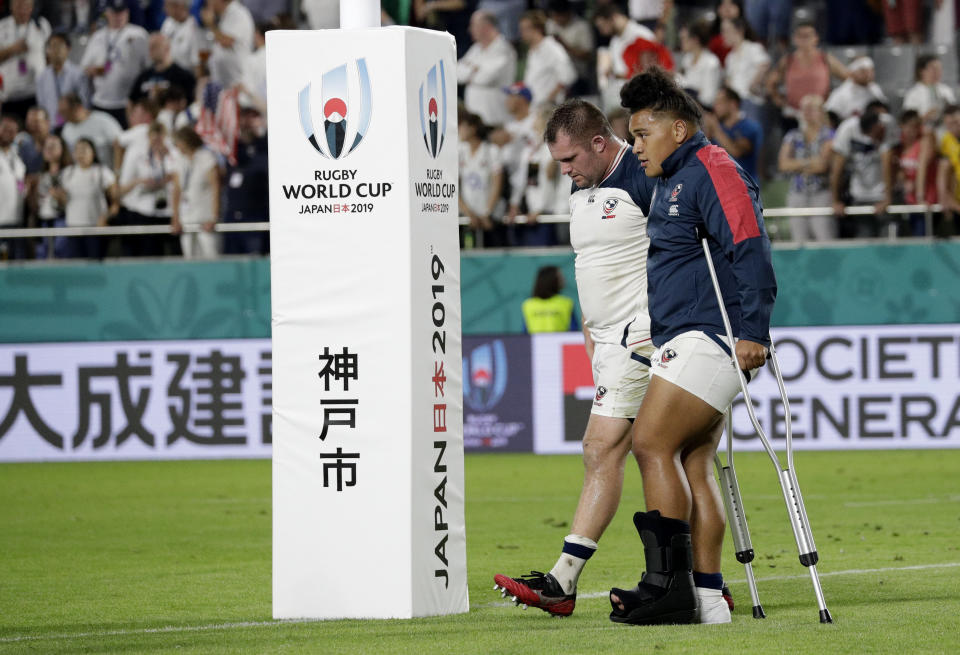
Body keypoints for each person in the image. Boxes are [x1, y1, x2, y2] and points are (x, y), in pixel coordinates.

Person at [609, 66, 775, 625]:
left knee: (650, 443)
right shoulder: (669, 177)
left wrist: (753, 330)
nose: (636, 147)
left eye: (642, 134)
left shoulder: (713, 168)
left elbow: (749, 244)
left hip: (713, 335)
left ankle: (666, 585)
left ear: (677, 130)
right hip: (690, 336)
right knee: (691, 460)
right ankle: (706, 596)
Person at [495, 98, 659, 619]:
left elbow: (676, 246)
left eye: (569, 160)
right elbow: (590, 259)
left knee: (604, 446)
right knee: (665, 454)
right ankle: (698, 581)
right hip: (606, 338)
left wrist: (654, 324)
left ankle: (564, 581)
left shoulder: (643, 173)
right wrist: (591, 328)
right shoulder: (581, 183)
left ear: (598, 142)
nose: (563, 171)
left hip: (643, 335)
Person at [80, 0, 150, 127]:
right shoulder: (98, 36)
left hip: (127, 103)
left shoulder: (139, 34)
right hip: (100, 101)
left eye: (122, 12)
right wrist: (93, 70)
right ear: (107, 13)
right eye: (115, 13)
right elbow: (84, 67)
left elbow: (148, 66)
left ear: (127, 13)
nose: (119, 16)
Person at [765, 20, 848, 126]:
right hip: (794, 114)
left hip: (819, 113)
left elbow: (848, 78)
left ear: (816, 38)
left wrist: (835, 99)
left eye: (808, 36)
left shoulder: (825, 59)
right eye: (800, 36)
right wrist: (778, 99)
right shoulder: (787, 61)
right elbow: (770, 82)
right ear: (795, 39)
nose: (804, 39)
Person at [778, 94, 836, 242]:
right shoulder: (793, 135)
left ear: (821, 112)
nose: (807, 113)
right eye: (804, 109)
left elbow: (823, 166)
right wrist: (810, 162)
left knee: (824, 237)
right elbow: (783, 165)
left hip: (821, 193)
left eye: (811, 109)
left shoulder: (829, 135)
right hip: (797, 193)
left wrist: (796, 164)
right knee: (799, 241)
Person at [830, 103, 891, 238]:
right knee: (864, 238)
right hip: (859, 195)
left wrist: (888, 197)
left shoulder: (888, 126)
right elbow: (837, 169)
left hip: (882, 194)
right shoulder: (847, 128)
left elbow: (888, 166)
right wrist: (835, 200)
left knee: (889, 242)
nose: (871, 139)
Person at [116, 121, 177, 256]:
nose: (157, 143)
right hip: (142, 211)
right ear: (148, 137)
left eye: (160, 139)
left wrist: (167, 178)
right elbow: (121, 189)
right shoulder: (135, 153)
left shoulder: (173, 153)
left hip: (169, 211)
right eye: (153, 138)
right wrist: (139, 182)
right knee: (148, 254)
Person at [457, 10, 517, 128]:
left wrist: (470, 70)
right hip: (474, 119)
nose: (469, 29)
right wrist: (475, 70)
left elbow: (486, 78)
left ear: (487, 27)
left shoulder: (503, 49)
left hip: (495, 119)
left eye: (473, 25)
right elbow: (457, 73)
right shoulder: (476, 48)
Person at [60, 137, 118, 259]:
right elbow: (63, 203)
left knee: (95, 263)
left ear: (93, 152)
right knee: (77, 267)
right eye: (77, 150)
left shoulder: (102, 172)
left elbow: (115, 203)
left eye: (84, 150)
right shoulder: (67, 173)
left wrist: (105, 218)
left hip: (95, 228)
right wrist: (58, 197)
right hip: (73, 227)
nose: (81, 154)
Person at [171, 125, 221, 258]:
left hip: (205, 219)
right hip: (186, 219)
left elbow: (216, 188)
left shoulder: (206, 158)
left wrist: (214, 217)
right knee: (189, 258)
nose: (177, 146)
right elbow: (176, 191)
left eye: (178, 142)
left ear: (187, 141)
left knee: (210, 256)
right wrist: (175, 218)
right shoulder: (179, 161)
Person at [884, 109, 936, 236]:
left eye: (916, 127)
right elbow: (899, 170)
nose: (913, 131)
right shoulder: (899, 146)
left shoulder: (924, 143)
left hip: (923, 199)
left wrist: (920, 196)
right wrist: (904, 179)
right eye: (909, 127)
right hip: (905, 200)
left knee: (920, 238)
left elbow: (921, 169)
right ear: (902, 126)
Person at [458, 111, 504, 247]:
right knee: (469, 252)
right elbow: (452, 187)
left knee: (492, 252)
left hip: (490, 218)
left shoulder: (492, 151)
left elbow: (497, 184)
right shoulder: (459, 152)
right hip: (467, 218)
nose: (459, 130)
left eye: (462, 126)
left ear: (473, 128)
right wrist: (468, 213)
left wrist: (486, 212)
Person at [0, 0, 51, 123]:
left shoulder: (42, 24)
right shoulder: (2, 26)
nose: (23, 9)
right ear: (11, 7)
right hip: (10, 92)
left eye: (26, 5)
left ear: (32, 7)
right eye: (19, 5)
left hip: (36, 92)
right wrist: (11, 50)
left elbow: (49, 54)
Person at [702, 85, 762, 183]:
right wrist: (707, 132)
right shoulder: (717, 127)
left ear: (733, 104)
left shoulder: (750, 126)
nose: (715, 106)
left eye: (719, 102)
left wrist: (715, 129)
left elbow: (736, 152)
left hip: (745, 187)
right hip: (721, 186)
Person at [519, 10, 576, 110]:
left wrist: (549, 100)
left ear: (537, 29)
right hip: (534, 107)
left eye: (524, 29)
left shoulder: (551, 47)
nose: (521, 33)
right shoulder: (532, 50)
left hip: (549, 109)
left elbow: (568, 75)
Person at [27, 133, 71, 259]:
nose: (49, 150)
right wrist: (30, 193)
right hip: (43, 221)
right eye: (46, 146)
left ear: (62, 149)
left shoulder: (69, 172)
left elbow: (73, 201)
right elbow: (35, 205)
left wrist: (60, 197)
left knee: (60, 254)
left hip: (62, 221)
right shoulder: (41, 175)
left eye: (53, 146)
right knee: (42, 255)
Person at [720, 16, 769, 125]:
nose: (724, 35)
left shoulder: (753, 48)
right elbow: (729, 79)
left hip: (750, 100)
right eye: (723, 31)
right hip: (735, 104)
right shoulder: (730, 57)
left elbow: (764, 65)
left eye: (727, 31)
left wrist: (753, 84)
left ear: (739, 31)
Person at [35, 32, 90, 128]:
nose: (56, 50)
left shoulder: (78, 74)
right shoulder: (41, 77)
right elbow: (41, 105)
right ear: (47, 50)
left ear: (68, 49)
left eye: (60, 46)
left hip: (74, 124)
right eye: (52, 46)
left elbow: (84, 102)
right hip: (51, 125)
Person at [59, 93, 124, 171]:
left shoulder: (104, 121)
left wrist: (117, 173)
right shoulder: (66, 130)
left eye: (64, 111)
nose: (61, 116)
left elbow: (119, 145)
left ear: (77, 108)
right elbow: (68, 159)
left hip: (108, 173)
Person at [201, 0, 255, 87]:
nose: (208, 3)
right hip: (225, 81)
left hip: (238, 81)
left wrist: (210, 24)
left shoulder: (238, 13)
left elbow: (226, 41)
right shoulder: (225, 15)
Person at [0, 114, 28, 259]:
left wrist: (24, 190)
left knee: (17, 265)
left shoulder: (16, 157)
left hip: (16, 220)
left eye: (12, 131)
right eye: (5, 130)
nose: (8, 134)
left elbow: (20, 184)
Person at [824, 57, 886, 121]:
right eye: (863, 71)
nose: (869, 74)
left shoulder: (876, 90)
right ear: (852, 72)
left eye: (871, 70)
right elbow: (829, 118)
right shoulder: (840, 94)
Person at [521, 265, 577, 333]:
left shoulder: (528, 304)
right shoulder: (566, 303)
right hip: (544, 343)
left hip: (559, 343)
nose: (564, 279)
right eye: (560, 277)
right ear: (551, 279)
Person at [677, 19, 721, 107]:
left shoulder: (711, 62)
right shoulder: (687, 59)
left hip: (703, 110)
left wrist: (691, 93)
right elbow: (679, 85)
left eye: (684, 39)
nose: (681, 42)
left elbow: (708, 97)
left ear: (695, 40)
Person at [902, 54, 956, 125]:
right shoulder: (913, 94)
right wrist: (925, 116)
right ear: (921, 70)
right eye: (933, 68)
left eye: (939, 68)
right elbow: (908, 122)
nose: (938, 72)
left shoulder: (946, 90)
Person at [161, 0, 204, 73]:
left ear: (178, 6)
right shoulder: (167, 23)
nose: (164, 9)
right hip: (168, 74)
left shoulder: (194, 27)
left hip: (186, 77)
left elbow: (197, 62)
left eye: (167, 5)